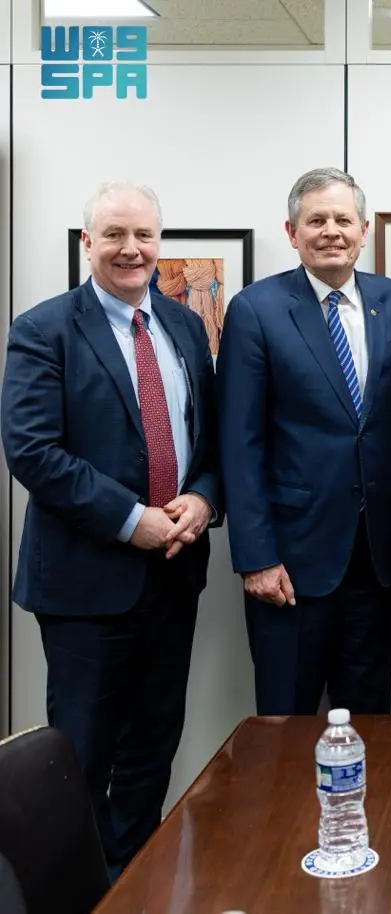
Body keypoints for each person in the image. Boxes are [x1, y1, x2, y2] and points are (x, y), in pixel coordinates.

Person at [1, 181, 221, 878]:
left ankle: (133, 887)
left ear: (160, 242)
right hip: (85, 586)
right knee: (82, 761)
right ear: (87, 241)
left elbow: (208, 439)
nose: (131, 249)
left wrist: (203, 498)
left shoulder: (185, 326)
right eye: (115, 235)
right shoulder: (43, 330)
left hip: (174, 577)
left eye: (144, 235)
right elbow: (32, 450)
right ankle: (77, 896)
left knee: (151, 755)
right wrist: (132, 522)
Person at [218, 167, 391, 716]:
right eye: (316, 221)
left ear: (364, 229)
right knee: (284, 723)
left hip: (376, 558)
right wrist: (257, 557)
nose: (331, 231)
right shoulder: (255, 310)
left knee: (369, 720)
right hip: (290, 562)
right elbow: (240, 443)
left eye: (343, 219)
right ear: (292, 233)